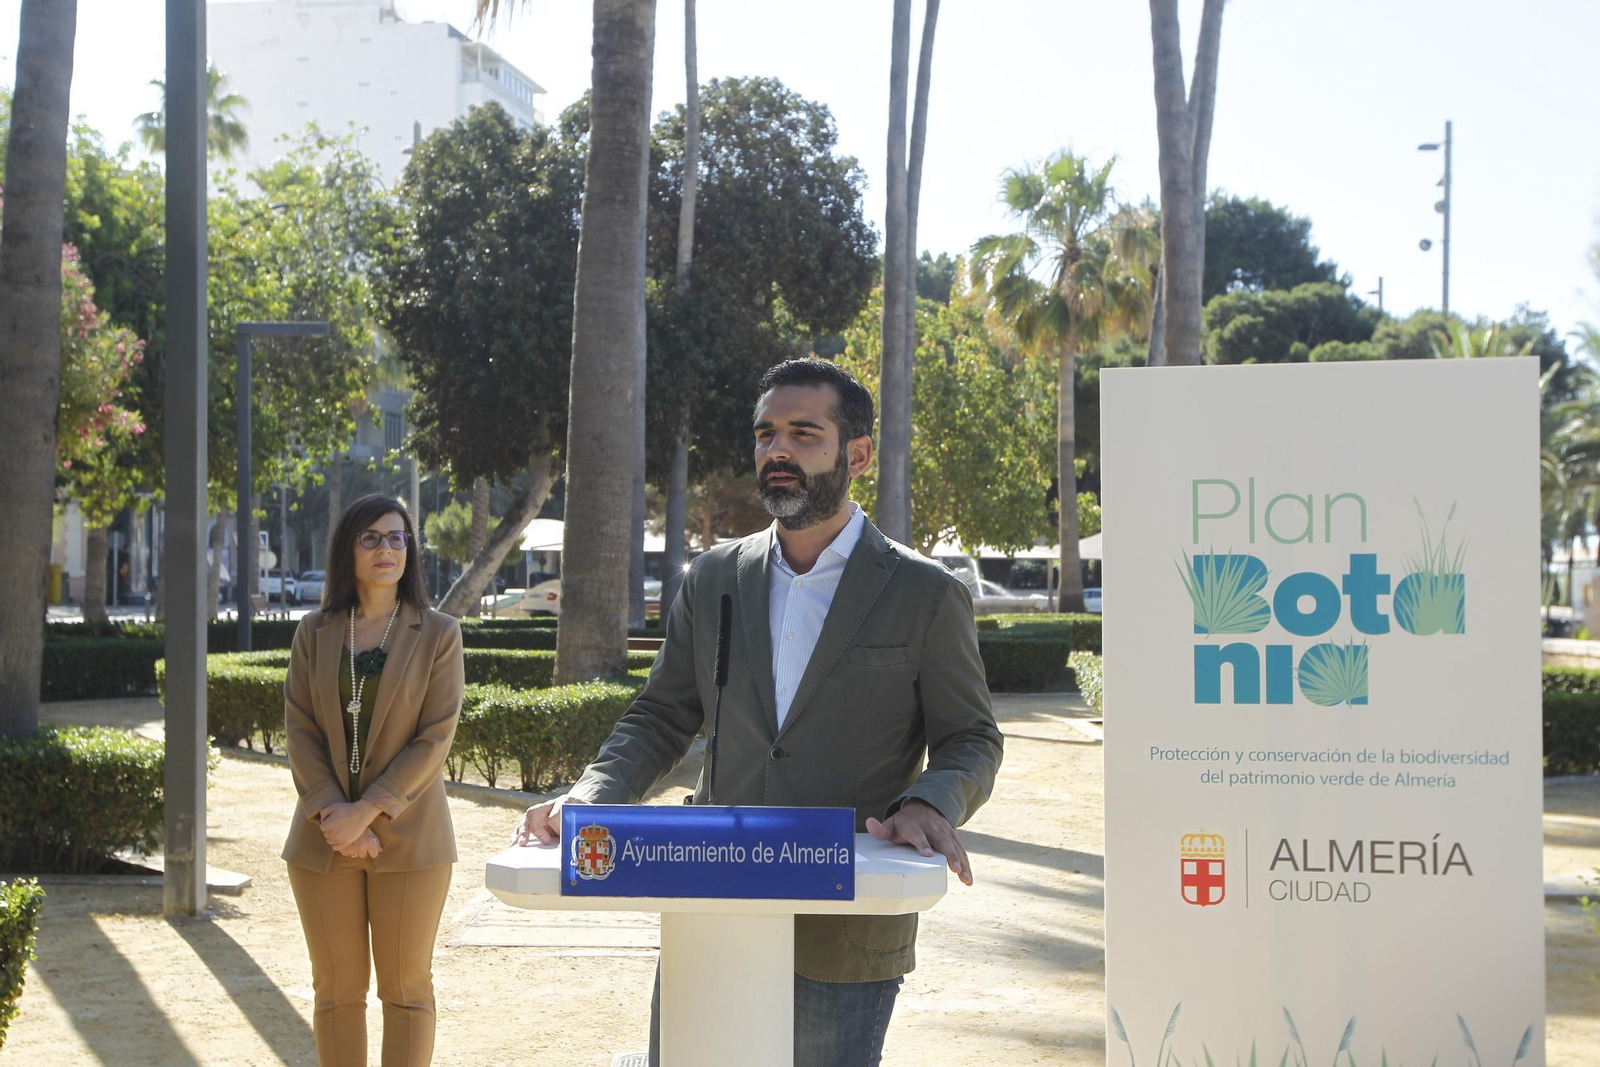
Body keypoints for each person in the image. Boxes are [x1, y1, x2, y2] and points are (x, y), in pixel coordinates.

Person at [511, 358, 1004, 1066]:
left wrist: (931, 801)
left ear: (856, 454)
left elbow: (971, 738)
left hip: (848, 927)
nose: (777, 449)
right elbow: (659, 715)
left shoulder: (925, 593)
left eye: (804, 433)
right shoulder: (713, 578)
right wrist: (590, 796)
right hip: (713, 913)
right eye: (766, 432)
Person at [282, 493, 465, 1067]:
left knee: (406, 992)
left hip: (411, 837)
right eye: (371, 537)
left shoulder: (439, 633)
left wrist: (369, 811)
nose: (386, 548)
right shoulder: (314, 633)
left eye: (397, 537)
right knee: (336, 993)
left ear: (410, 550)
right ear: (348, 550)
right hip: (324, 834)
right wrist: (334, 814)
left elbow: (435, 737)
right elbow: (300, 728)